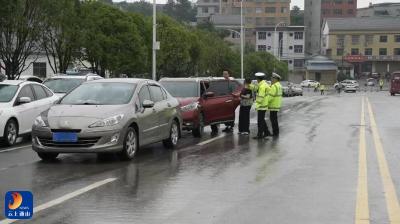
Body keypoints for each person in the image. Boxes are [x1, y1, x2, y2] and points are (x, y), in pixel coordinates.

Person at [250, 72, 271, 139]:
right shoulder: (263, 84)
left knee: (260, 122)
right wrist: (250, 86)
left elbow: (260, 97)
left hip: (261, 106)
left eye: (257, 79)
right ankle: (267, 132)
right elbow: (256, 88)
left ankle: (260, 135)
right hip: (264, 105)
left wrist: (257, 105)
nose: (256, 80)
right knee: (262, 120)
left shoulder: (262, 86)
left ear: (258, 79)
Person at [269, 73, 283, 137]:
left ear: (275, 79)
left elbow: (270, 97)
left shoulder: (274, 86)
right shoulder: (279, 85)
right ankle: (276, 132)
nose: (271, 79)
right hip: (277, 105)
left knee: (273, 119)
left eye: (272, 78)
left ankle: (275, 133)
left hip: (273, 105)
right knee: (275, 119)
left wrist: (266, 103)